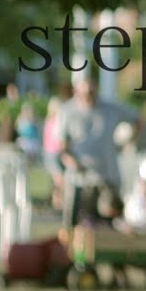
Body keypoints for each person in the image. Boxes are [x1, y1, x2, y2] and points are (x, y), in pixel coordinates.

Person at [58, 76, 138, 225]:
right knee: (75, 224)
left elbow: (138, 119)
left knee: (108, 223)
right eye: (85, 94)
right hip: (79, 179)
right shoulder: (67, 111)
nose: (89, 97)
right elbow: (62, 146)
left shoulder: (110, 108)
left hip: (107, 177)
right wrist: (70, 161)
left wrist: (128, 141)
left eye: (92, 93)